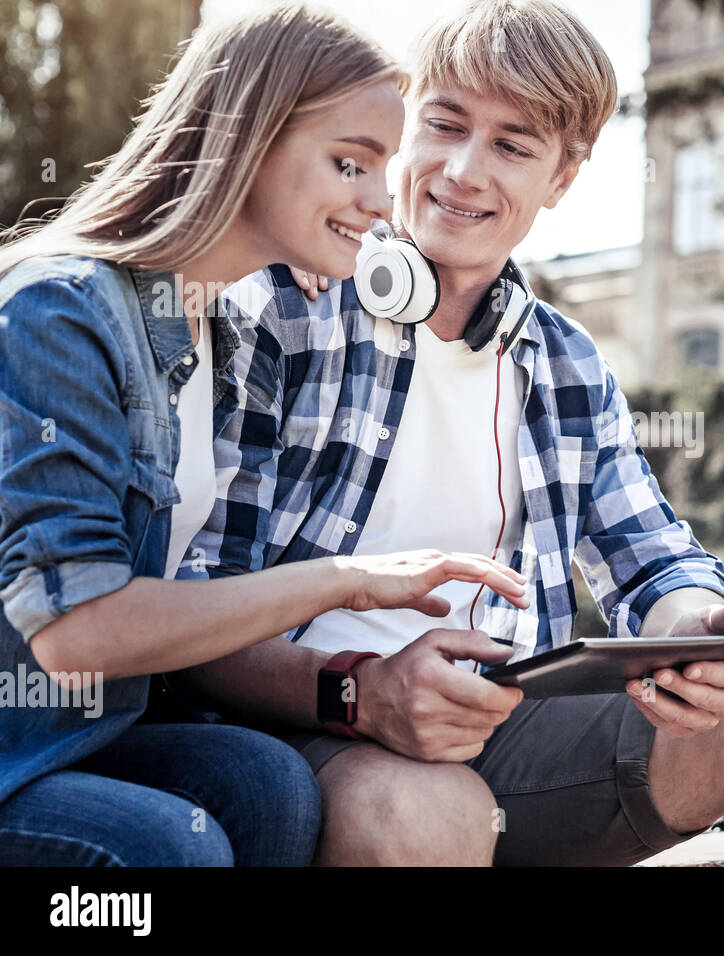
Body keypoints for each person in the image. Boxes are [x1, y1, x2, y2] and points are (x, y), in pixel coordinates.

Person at [176, 0, 724, 866]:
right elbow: (192, 616)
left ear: (562, 177)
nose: (463, 171)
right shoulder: (280, 306)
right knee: (433, 815)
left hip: (509, 734)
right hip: (314, 728)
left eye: (513, 146)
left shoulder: (564, 360)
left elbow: (654, 558)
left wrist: (691, 636)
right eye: (444, 125)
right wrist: (360, 694)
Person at [0, 2, 529, 866]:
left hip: (85, 731)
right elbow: (78, 631)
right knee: (170, 846)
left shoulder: (219, 332)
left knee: (269, 786)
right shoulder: (62, 310)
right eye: (348, 164)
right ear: (248, 142)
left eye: (380, 167)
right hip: (17, 741)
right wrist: (345, 582)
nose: (377, 200)